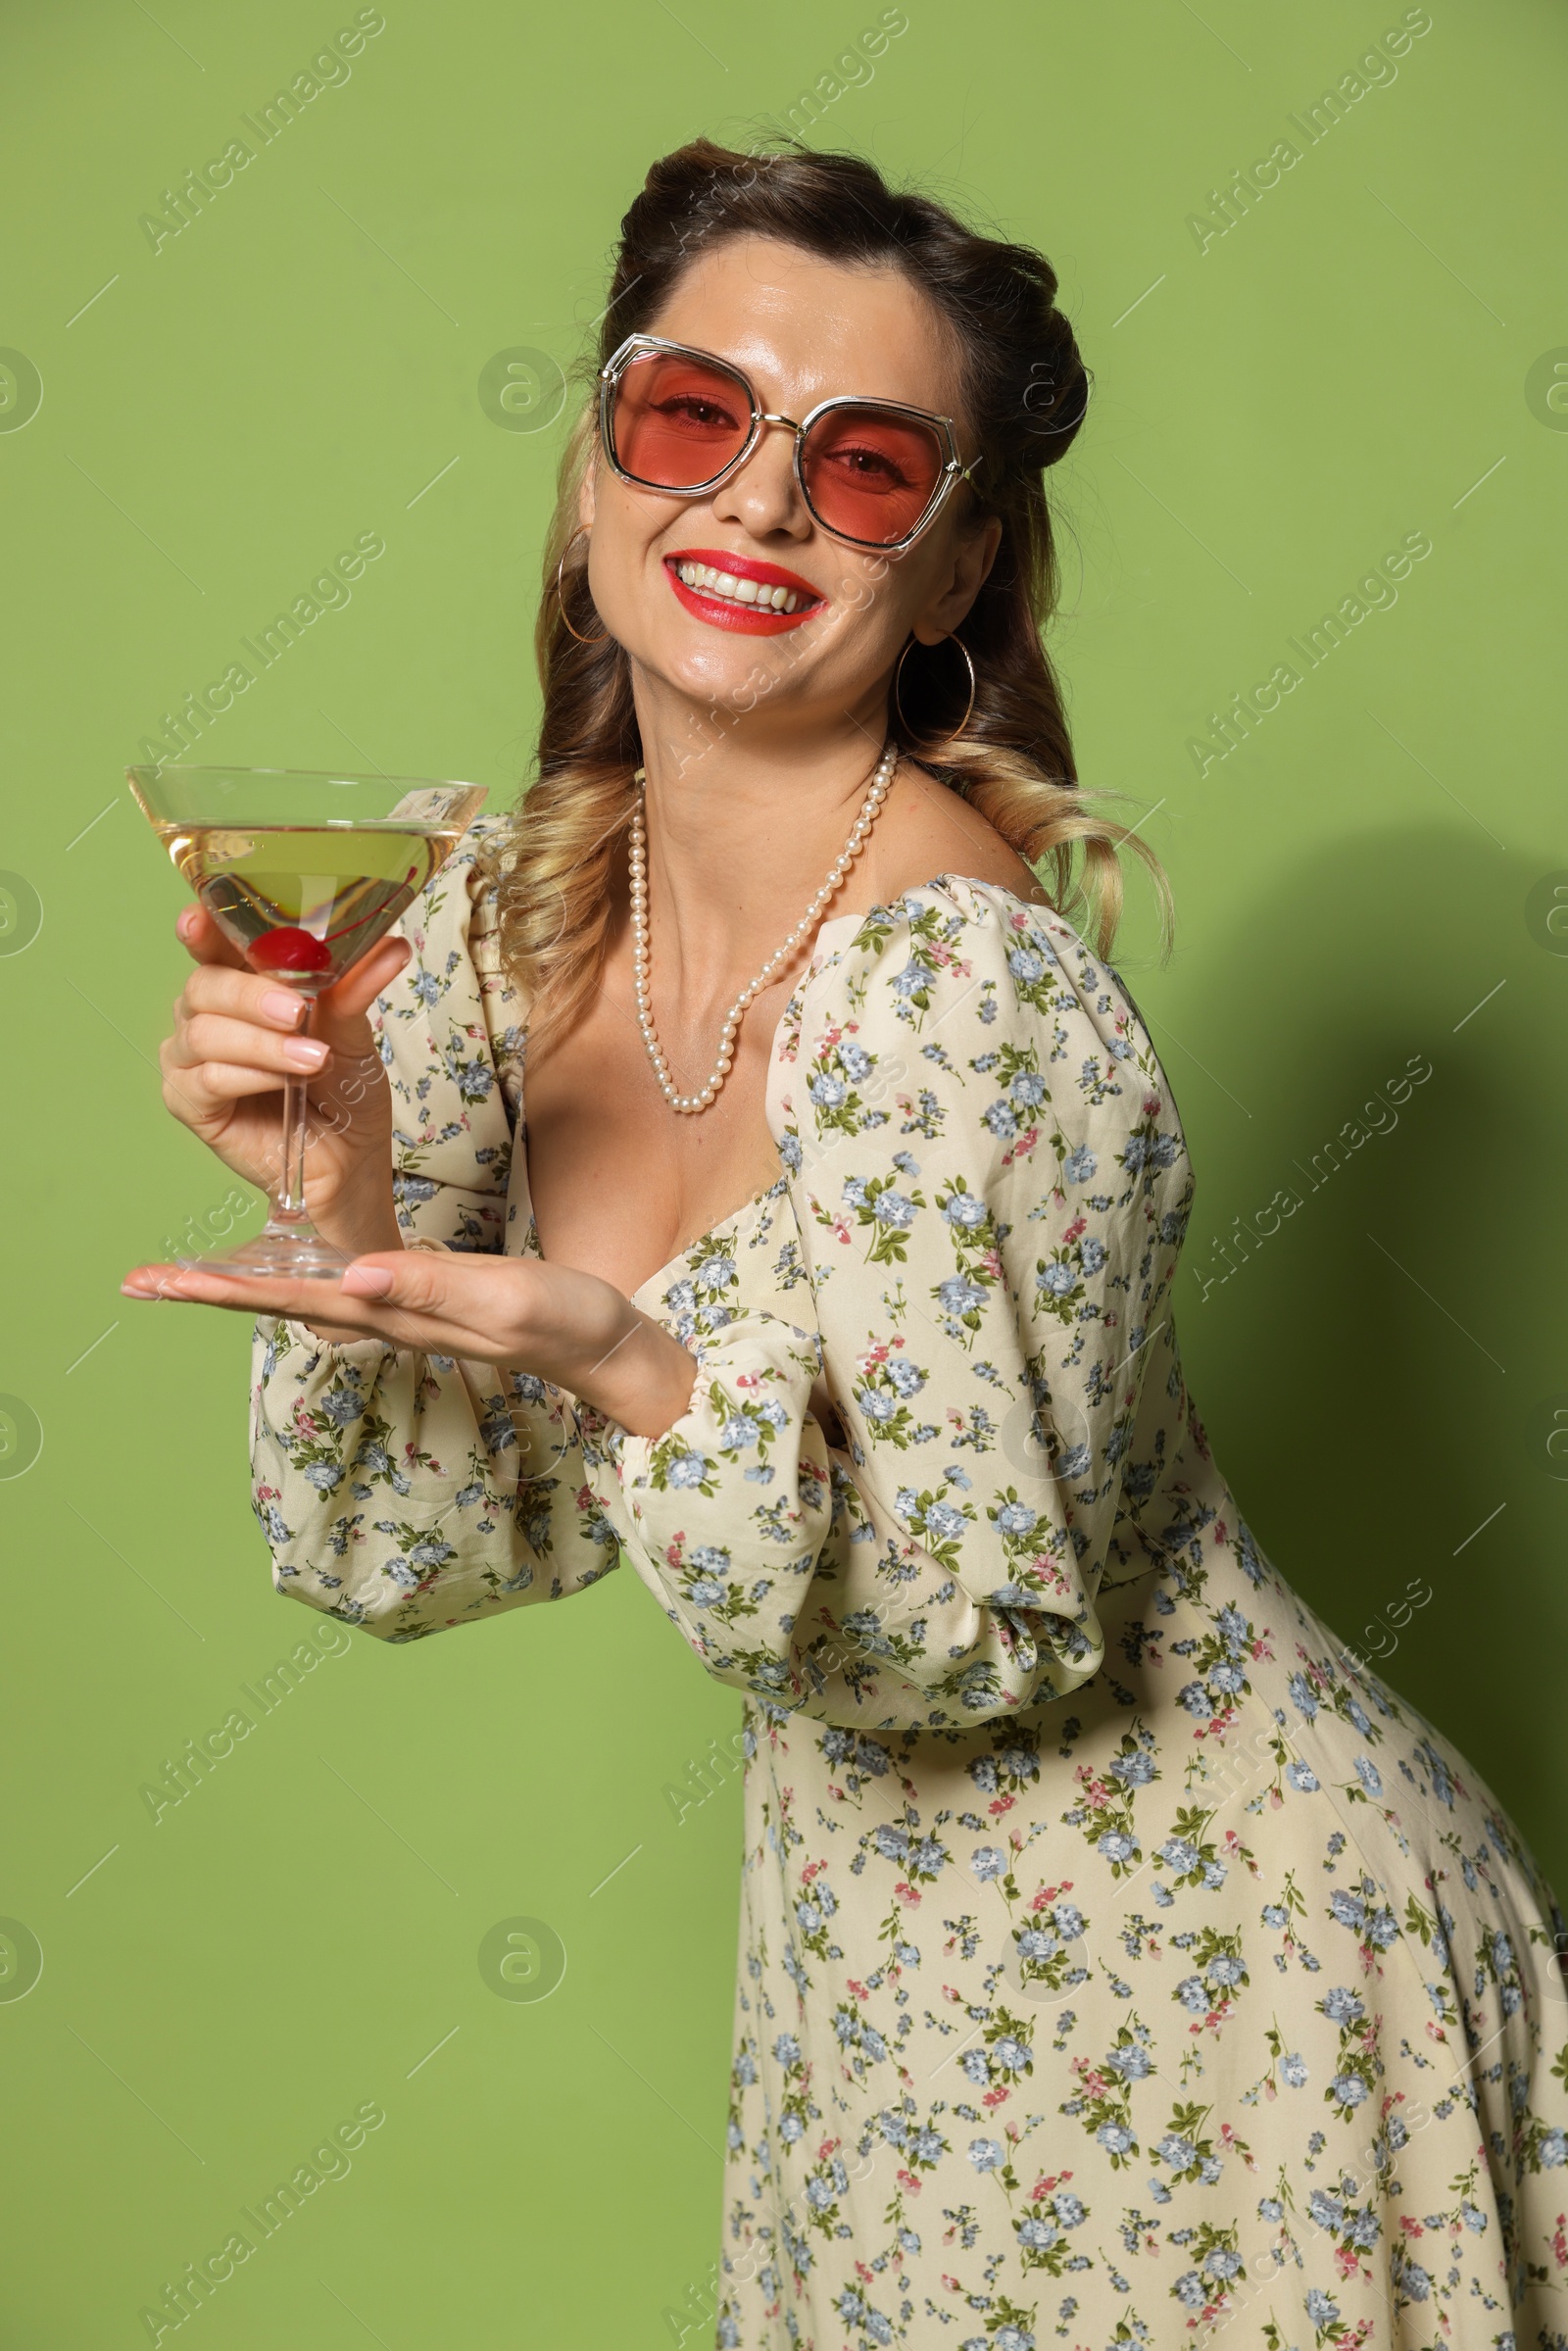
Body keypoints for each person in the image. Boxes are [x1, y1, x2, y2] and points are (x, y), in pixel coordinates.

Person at [123, 138, 1568, 2349]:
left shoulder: (954, 993)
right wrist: (337, 1193)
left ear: (962, 559)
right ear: (602, 449)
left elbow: (980, 1644)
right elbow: (421, 1550)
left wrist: (631, 1359)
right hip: (885, 1987)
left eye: (868, 464)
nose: (758, 506)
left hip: (1224, 1973)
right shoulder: (507, 925)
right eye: (694, 414)